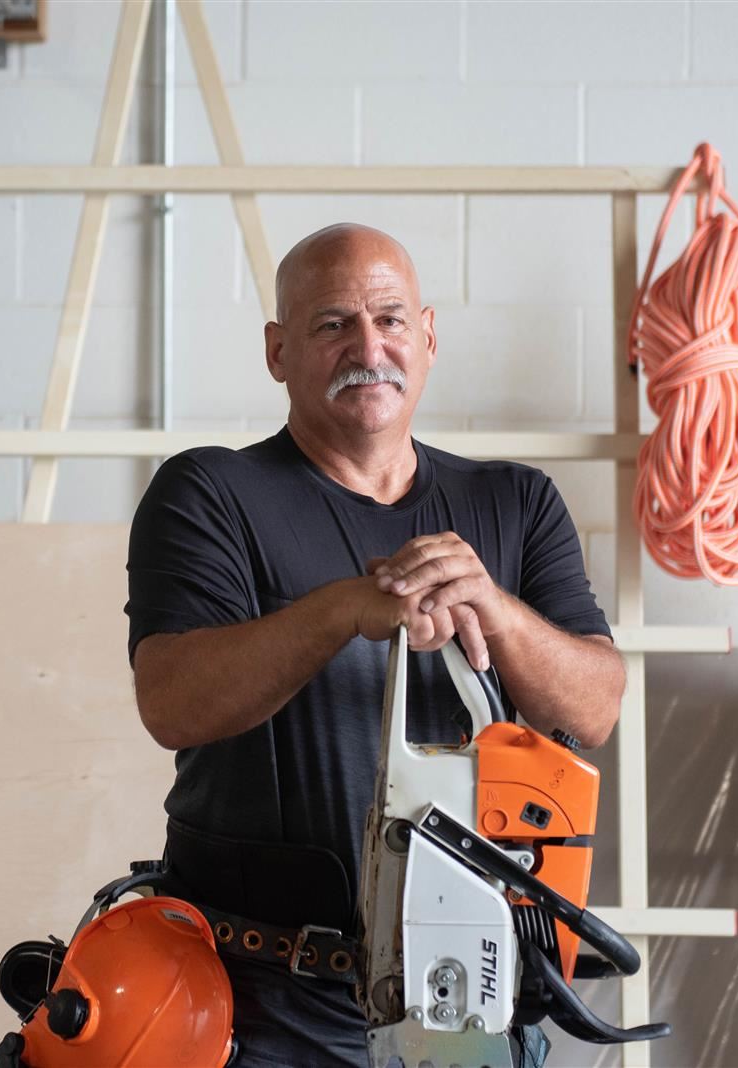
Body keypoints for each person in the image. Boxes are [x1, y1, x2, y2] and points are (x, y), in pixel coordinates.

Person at [125, 223, 624, 1066]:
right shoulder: (210, 493)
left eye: (390, 320)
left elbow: (598, 704)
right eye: (332, 325)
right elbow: (171, 701)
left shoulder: (515, 502)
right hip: (261, 1003)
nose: (369, 346)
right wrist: (345, 611)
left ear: (426, 338)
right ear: (279, 351)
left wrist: (493, 610)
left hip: (470, 992)